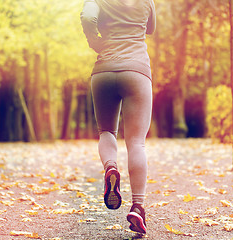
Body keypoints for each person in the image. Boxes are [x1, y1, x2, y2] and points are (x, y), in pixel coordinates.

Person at [80, 0, 156, 234]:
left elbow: (87, 17)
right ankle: (138, 207)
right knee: (136, 142)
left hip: (103, 71)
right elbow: (151, 28)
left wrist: (96, 42)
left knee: (107, 132)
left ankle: (111, 167)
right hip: (137, 71)